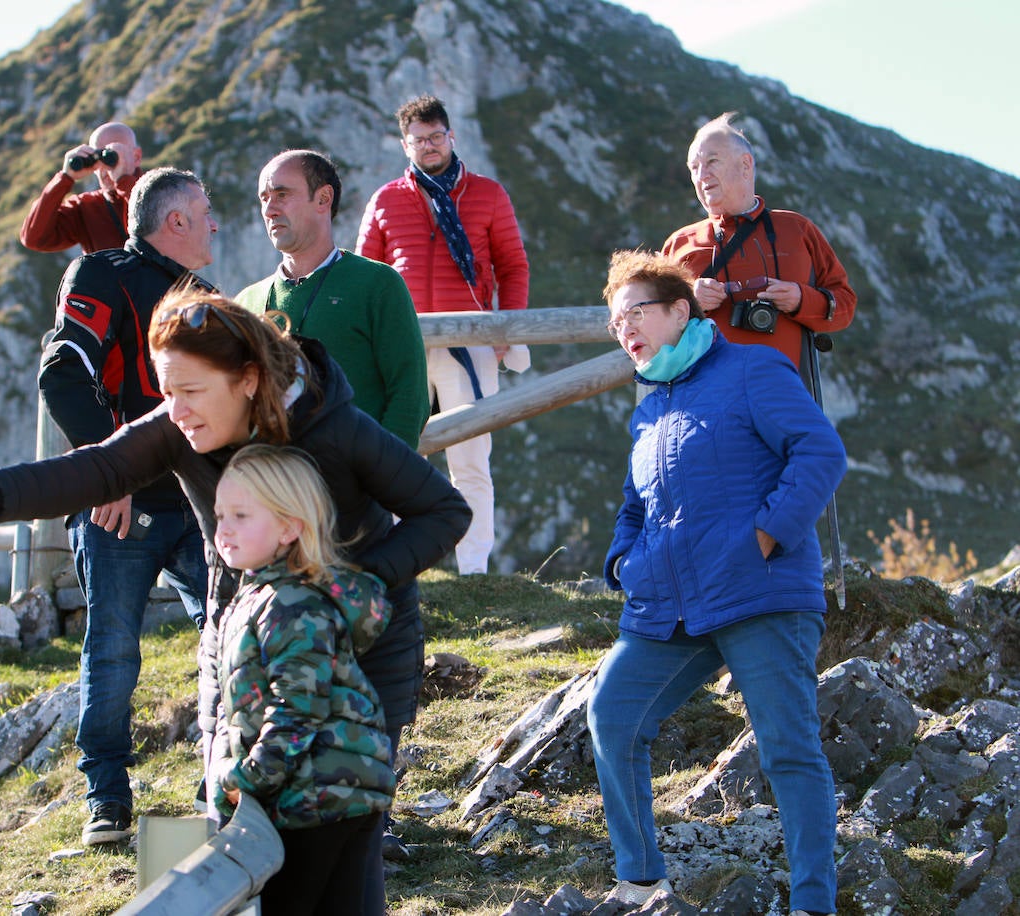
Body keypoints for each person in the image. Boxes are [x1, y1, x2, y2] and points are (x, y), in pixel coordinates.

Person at [0, 289, 470, 907]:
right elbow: (100, 468)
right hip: (239, 644)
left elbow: (443, 510)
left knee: (338, 852)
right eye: (165, 392)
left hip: (362, 659)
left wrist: (344, 591)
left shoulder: (336, 428)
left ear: (249, 381)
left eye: (190, 392)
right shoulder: (181, 429)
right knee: (234, 831)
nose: (174, 411)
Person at [587, 250, 844, 916]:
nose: (626, 330)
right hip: (667, 605)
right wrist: (623, 562)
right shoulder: (650, 407)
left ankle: (814, 904)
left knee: (788, 750)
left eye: (636, 313)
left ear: (680, 310)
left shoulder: (753, 367)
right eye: (616, 323)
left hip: (760, 593)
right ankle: (641, 883)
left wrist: (766, 535)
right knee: (612, 715)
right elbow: (635, 503)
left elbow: (820, 450)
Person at [38, 166, 218, 846]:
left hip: (202, 508)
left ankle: (218, 784)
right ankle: (107, 801)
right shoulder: (100, 274)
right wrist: (104, 477)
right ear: (174, 221)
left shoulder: (212, 299)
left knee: (228, 637)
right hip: (119, 510)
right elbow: (62, 374)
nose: (215, 223)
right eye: (204, 211)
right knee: (112, 653)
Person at [206, 444, 396, 914]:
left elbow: (297, 710)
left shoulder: (292, 604)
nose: (223, 528)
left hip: (311, 797)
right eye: (220, 514)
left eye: (241, 515)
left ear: (291, 527)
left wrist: (246, 779)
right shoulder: (264, 595)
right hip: (342, 791)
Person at [356, 95, 530, 574]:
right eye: (419, 140)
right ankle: (391, 568)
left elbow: (513, 266)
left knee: (471, 459)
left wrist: (506, 329)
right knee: (389, 457)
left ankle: (473, 570)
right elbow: (365, 275)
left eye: (436, 137)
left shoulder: (489, 194)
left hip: (470, 340)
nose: (429, 146)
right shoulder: (386, 199)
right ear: (404, 144)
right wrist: (369, 339)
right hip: (399, 344)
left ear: (451, 136)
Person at [236, 150, 429, 447]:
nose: (270, 209)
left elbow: (410, 397)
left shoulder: (377, 284)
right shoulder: (247, 302)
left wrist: (383, 478)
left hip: (355, 484)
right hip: (272, 485)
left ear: (324, 199)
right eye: (264, 198)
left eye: (282, 194)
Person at [662, 111, 855, 371]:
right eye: (694, 168)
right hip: (708, 401)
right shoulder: (678, 244)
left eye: (712, 161)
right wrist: (690, 301)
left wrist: (801, 299)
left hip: (784, 398)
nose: (702, 175)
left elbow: (845, 304)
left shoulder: (797, 230)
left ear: (745, 165)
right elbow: (652, 324)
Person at [19, 121, 145, 254]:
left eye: (111, 156)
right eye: (99, 157)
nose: (105, 167)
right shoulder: (86, 207)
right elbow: (34, 239)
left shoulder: (164, 191)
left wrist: (124, 181)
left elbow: (152, 218)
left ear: (136, 156)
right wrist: (65, 178)